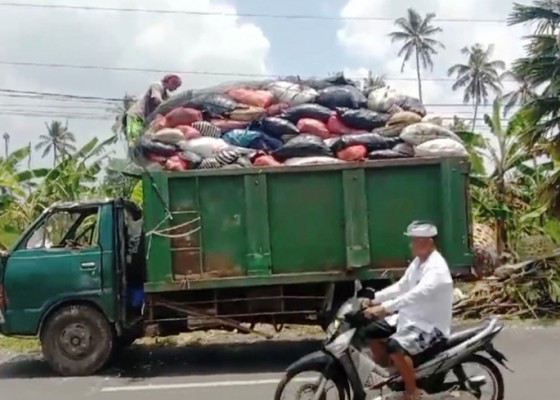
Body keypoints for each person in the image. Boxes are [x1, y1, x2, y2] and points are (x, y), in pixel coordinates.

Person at [361, 221, 454, 400]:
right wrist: (374, 299)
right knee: (370, 331)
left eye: (415, 241)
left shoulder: (437, 269)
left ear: (428, 242)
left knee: (395, 346)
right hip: (410, 318)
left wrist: (384, 308)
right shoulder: (419, 262)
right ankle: (395, 375)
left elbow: (414, 296)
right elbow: (401, 286)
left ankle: (412, 392)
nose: (412, 245)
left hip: (429, 325)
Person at [124, 74, 183, 144]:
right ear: (170, 82)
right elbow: (157, 100)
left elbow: (170, 104)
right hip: (136, 116)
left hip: (144, 120)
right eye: (175, 86)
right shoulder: (157, 85)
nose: (175, 89)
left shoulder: (165, 95)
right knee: (134, 142)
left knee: (142, 141)